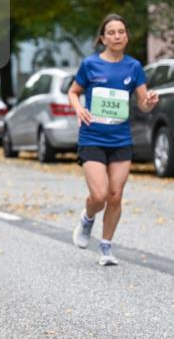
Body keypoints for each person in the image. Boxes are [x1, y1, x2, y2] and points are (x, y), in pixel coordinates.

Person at [67, 14, 159, 265]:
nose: (117, 36)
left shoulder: (134, 67)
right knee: (99, 195)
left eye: (121, 31)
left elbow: (143, 102)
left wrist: (149, 102)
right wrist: (78, 108)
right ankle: (87, 219)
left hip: (120, 139)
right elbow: (73, 92)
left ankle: (106, 246)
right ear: (102, 38)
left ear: (126, 36)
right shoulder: (90, 65)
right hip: (92, 136)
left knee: (115, 195)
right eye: (111, 32)